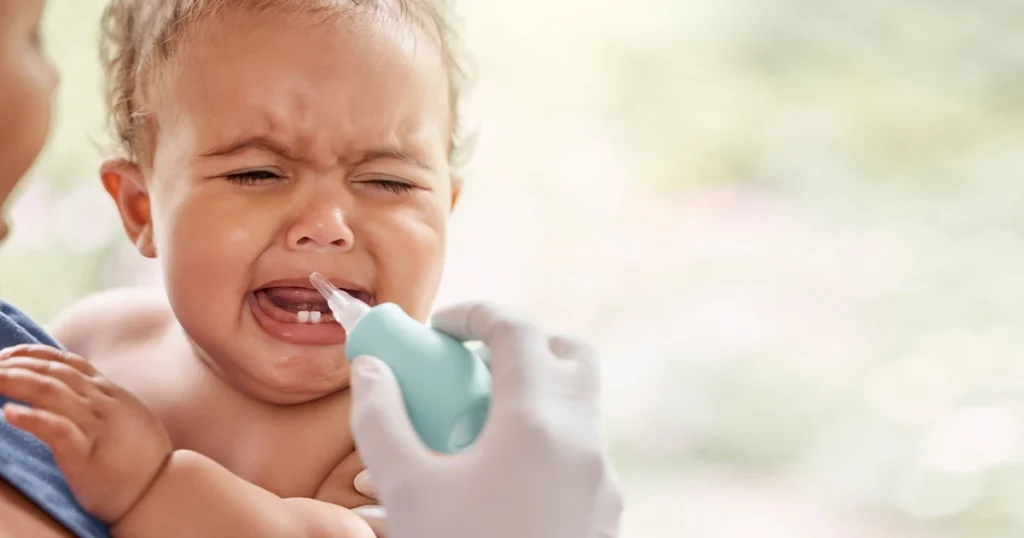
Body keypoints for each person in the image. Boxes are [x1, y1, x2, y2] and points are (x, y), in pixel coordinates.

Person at [0, 0, 623, 536]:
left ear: (446, 212)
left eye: (388, 182)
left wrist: (153, 486)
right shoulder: (93, 340)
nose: (328, 225)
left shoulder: (397, 429)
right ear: (142, 211)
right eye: (257, 173)